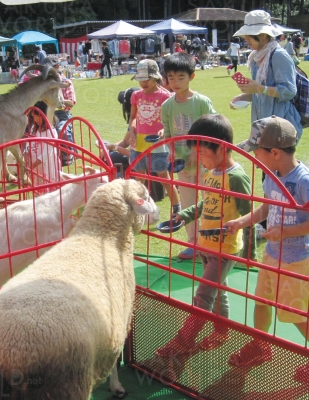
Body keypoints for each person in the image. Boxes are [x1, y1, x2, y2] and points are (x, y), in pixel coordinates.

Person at [155, 114, 256, 357]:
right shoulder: (211, 173)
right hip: (205, 243)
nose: (197, 158)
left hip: (225, 248)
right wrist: (186, 215)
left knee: (202, 295)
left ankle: (183, 341)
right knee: (217, 290)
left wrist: (249, 251)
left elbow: (250, 215)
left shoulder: (236, 178)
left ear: (221, 148)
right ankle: (222, 332)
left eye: (201, 153)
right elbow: (206, 202)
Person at [225, 116, 309, 370]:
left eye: (256, 152)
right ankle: (260, 345)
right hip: (272, 254)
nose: (254, 157)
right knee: (261, 302)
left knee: (296, 313)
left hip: (295, 259)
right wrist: (241, 222)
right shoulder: (271, 175)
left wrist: (286, 231)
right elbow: (265, 208)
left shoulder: (303, 181)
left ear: (274, 152)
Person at [162, 53, 216, 260]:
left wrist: (198, 152)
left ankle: (211, 243)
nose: (175, 82)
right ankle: (193, 243)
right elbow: (168, 133)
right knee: (188, 206)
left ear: (192, 77)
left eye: (180, 77)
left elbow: (213, 129)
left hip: (206, 165)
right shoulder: (167, 106)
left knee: (210, 203)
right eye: (171, 78)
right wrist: (172, 153)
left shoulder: (201, 102)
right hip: (183, 167)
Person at [230, 10, 303, 140]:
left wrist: (259, 88)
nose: (246, 38)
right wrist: (243, 97)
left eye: (250, 34)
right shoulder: (256, 57)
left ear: (263, 34)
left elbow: (289, 91)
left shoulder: (278, 55)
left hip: (281, 127)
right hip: (261, 125)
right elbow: (260, 95)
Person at [128, 59, 181, 216]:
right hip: (139, 141)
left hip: (157, 142)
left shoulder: (166, 96)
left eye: (147, 79)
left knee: (163, 176)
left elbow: (171, 120)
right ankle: (138, 209)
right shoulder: (136, 95)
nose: (143, 83)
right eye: (140, 79)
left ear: (156, 77)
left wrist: (164, 130)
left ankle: (177, 208)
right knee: (139, 178)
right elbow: (133, 117)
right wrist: (132, 129)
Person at [44, 55, 76, 166]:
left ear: (57, 67)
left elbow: (71, 103)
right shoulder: (43, 83)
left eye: (50, 69)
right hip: (44, 114)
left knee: (62, 130)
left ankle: (67, 155)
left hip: (61, 114)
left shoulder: (66, 82)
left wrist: (59, 101)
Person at [25, 101, 60, 191]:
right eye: (34, 117)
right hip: (36, 164)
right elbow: (29, 144)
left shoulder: (50, 132)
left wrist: (31, 166)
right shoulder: (34, 128)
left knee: (48, 189)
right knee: (38, 188)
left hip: (46, 165)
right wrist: (26, 154)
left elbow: (46, 154)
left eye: (38, 116)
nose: (35, 119)